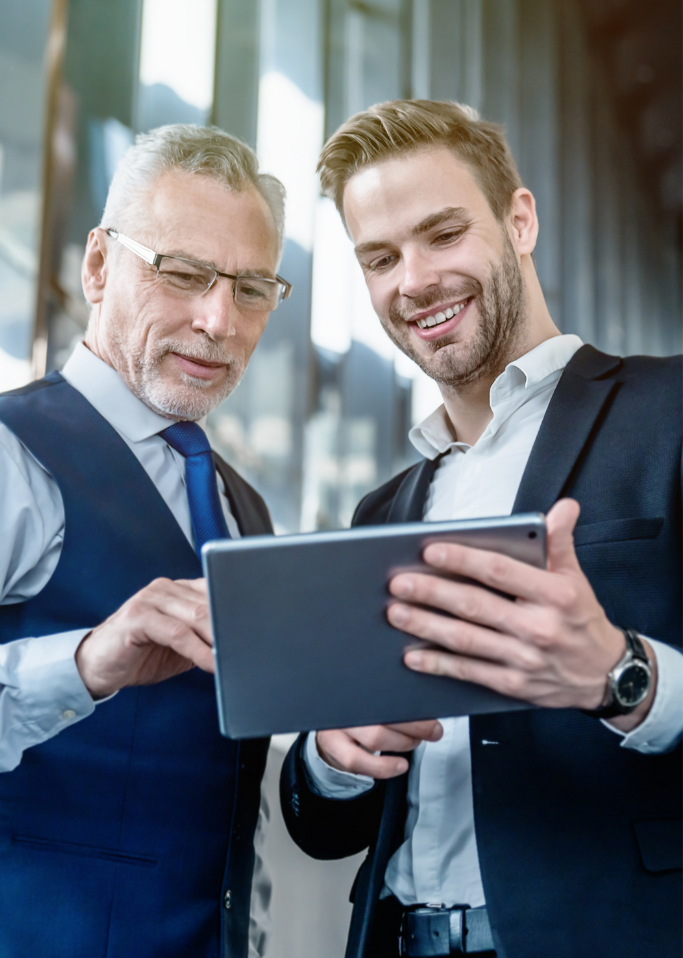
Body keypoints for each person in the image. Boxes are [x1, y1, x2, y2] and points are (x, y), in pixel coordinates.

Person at [280, 100, 682, 958]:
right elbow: (323, 825)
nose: (414, 280)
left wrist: (625, 676)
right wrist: (332, 755)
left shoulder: (670, 413)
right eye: (381, 258)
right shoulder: (379, 514)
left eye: (443, 234)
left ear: (520, 219)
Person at [0, 124, 291, 958]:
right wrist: (78, 667)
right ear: (100, 265)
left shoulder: (241, 507)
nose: (218, 320)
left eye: (251, 289)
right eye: (183, 274)